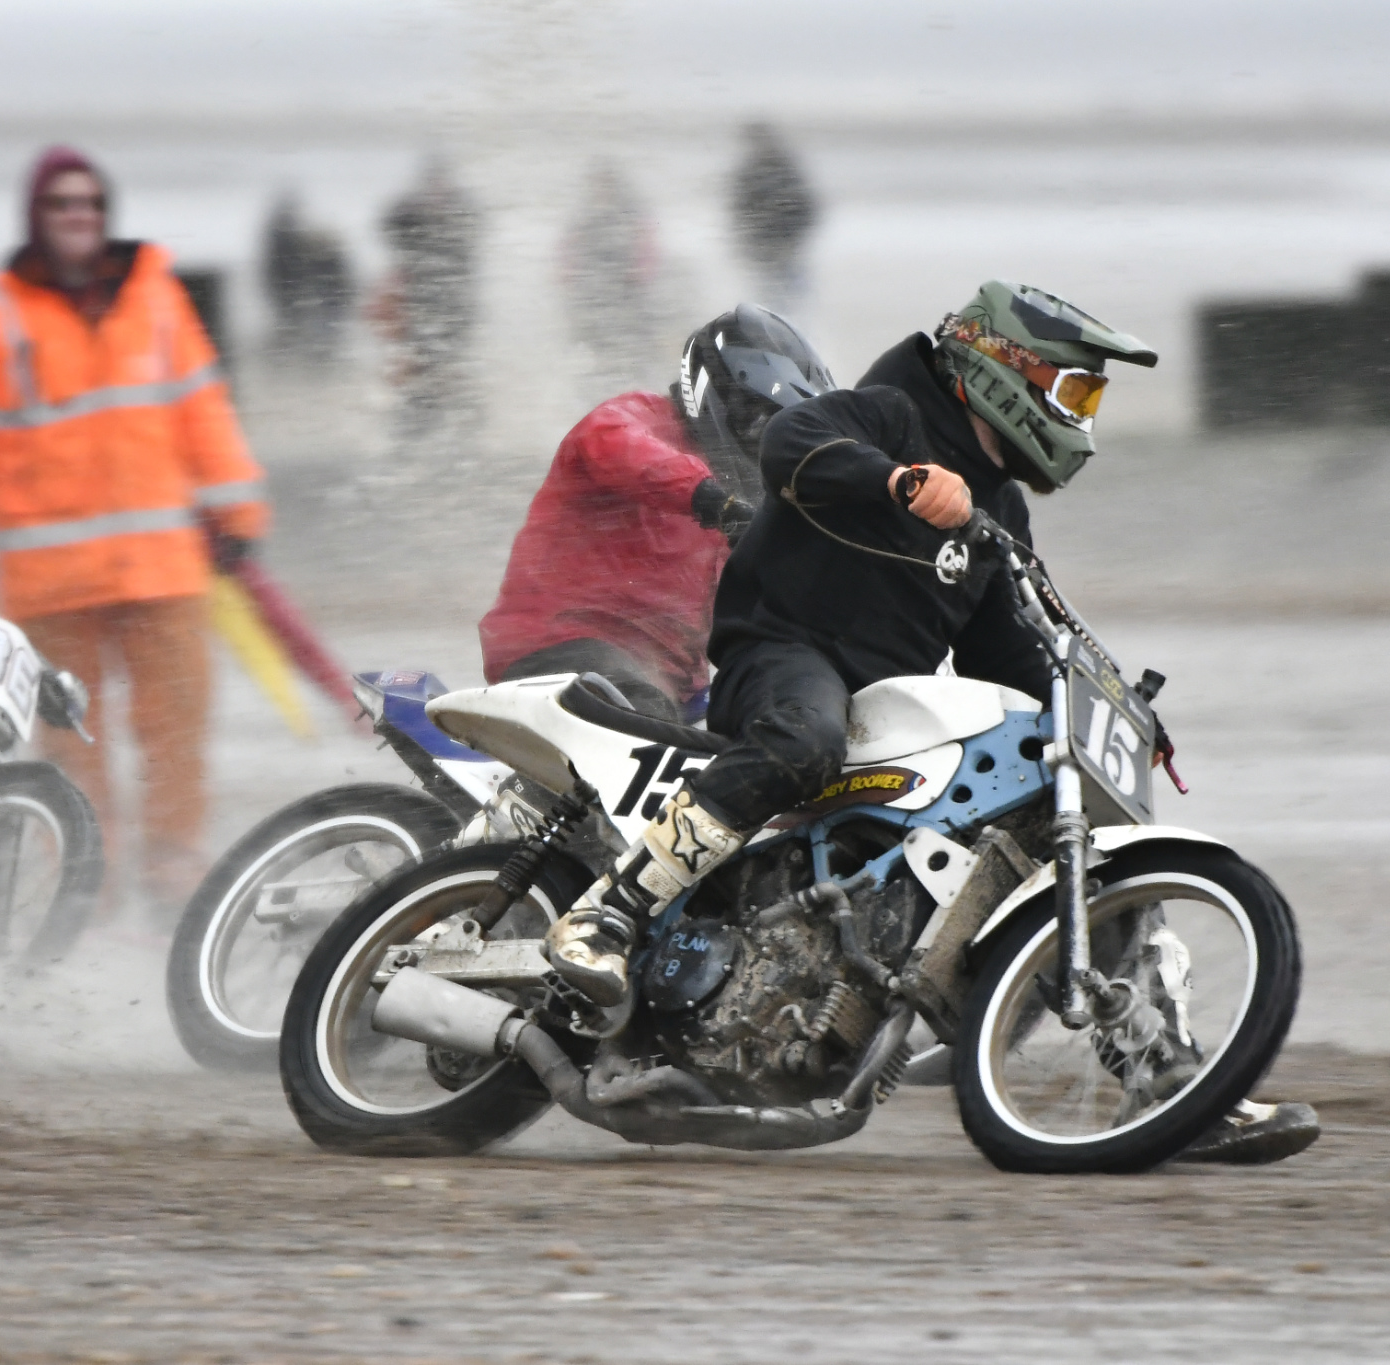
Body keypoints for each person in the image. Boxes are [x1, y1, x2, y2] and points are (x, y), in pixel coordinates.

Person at [539, 280, 1317, 1163]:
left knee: (1049, 814)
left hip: (874, 698)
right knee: (803, 737)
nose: (1081, 414)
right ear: (1005, 371)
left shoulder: (1000, 513)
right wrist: (899, 479)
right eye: (1075, 391)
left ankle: (1170, 1083)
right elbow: (795, 445)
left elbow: (1008, 662)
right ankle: (608, 913)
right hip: (783, 655)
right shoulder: (885, 414)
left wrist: (1079, 712)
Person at [0, 145, 270, 912]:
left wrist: (238, 511)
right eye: (61, 205)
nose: (78, 218)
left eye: (90, 205)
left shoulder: (155, 296)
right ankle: (89, 883)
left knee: (178, 730)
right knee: (71, 745)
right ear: (35, 217)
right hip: (50, 581)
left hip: (162, 570)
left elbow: (202, 408)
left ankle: (174, 871)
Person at [479, 305, 834, 721]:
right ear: (722, 397)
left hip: (671, 684)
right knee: (646, 720)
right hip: (563, 645)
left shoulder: (749, 505)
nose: (764, 446)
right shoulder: (636, 420)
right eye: (761, 425)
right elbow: (610, 443)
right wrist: (713, 502)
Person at [370, 158, 481, 453]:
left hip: (452, 311)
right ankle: (415, 430)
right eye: (433, 185)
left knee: (445, 371)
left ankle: (451, 430)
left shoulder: (460, 215)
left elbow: (475, 233)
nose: (437, 191)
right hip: (418, 309)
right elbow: (391, 228)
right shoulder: (411, 216)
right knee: (417, 369)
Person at [560, 159, 659, 399]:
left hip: (625, 293)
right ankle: (594, 393)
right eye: (598, 185)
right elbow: (568, 250)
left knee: (630, 346)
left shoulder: (629, 214)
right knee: (594, 348)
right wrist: (568, 276)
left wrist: (639, 273)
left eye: (605, 185)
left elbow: (647, 249)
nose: (601, 190)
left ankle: (633, 389)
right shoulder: (584, 215)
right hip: (593, 293)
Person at [728, 123, 817, 317]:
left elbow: (740, 211)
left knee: (780, 300)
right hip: (774, 252)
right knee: (780, 300)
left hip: (779, 251)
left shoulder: (766, 171)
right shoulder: (777, 169)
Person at [261, 192, 354, 370]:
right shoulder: (290, 242)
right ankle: (318, 355)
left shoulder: (283, 239)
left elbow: (277, 271)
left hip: (300, 293)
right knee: (315, 324)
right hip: (303, 293)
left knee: (310, 323)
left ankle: (315, 354)